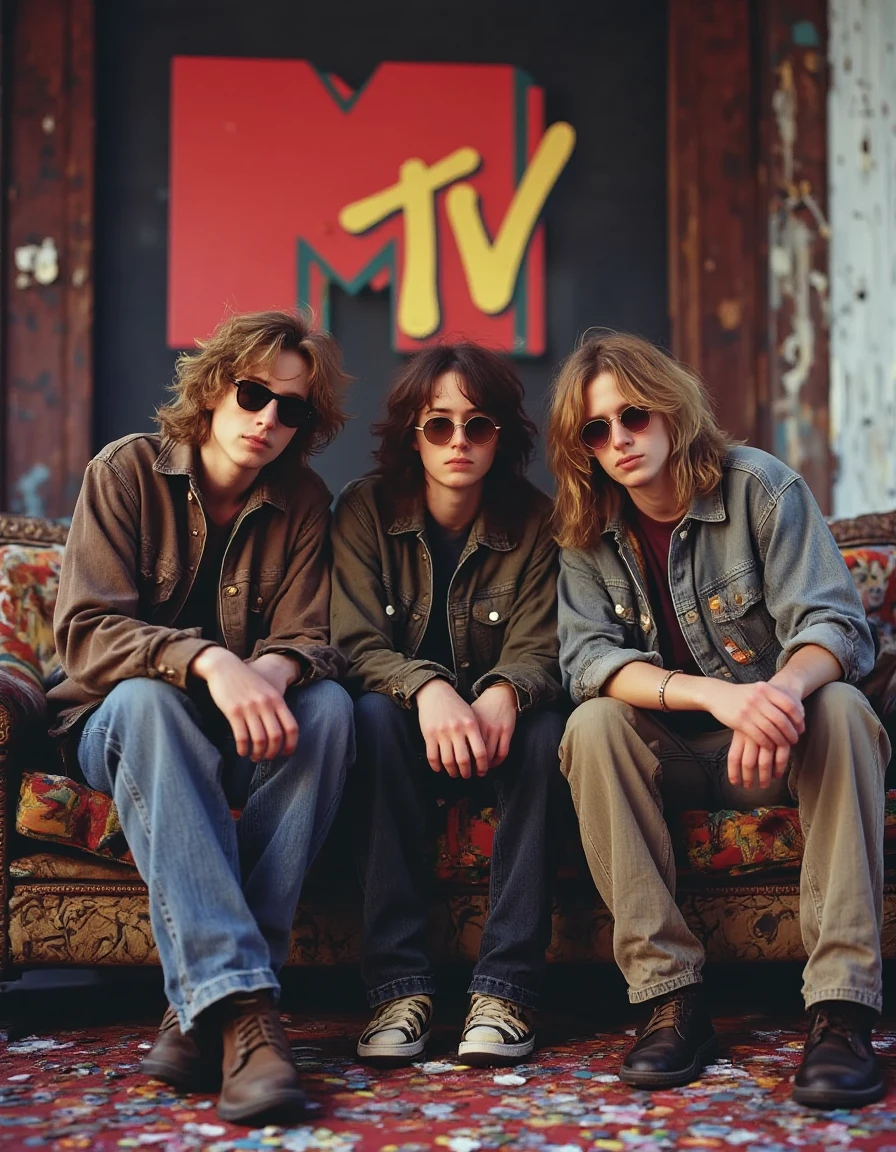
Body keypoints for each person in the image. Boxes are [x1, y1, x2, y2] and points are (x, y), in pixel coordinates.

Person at [546, 331, 889, 1108]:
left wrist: (779, 701)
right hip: (675, 753)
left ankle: (840, 1009)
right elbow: (588, 663)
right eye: (595, 431)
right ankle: (671, 999)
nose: (619, 440)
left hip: (785, 745)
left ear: (669, 409)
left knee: (841, 706)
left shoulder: (760, 489)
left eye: (631, 416)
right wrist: (718, 698)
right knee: (592, 727)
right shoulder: (583, 530)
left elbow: (835, 629)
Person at [49, 310, 355, 1125]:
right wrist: (210, 660)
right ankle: (248, 1012)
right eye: (255, 394)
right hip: (116, 727)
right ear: (215, 387)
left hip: (239, 739)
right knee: (151, 701)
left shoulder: (303, 501)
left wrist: (277, 666)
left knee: (327, 712)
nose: (268, 419)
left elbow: (315, 639)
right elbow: (83, 633)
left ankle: (199, 1014)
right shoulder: (124, 472)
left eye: (291, 409)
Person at [330, 343, 565, 1067]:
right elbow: (351, 643)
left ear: (504, 436)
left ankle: (507, 990)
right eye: (439, 425)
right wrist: (427, 688)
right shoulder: (364, 511)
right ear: (412, 433)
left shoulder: (536, 522)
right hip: (401, 742)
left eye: (478, 425)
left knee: (552, 728)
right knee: (366, 714)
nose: (458, 441)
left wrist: (504, 690)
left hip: (502, 743)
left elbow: (548, 648)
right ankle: (398, 990)